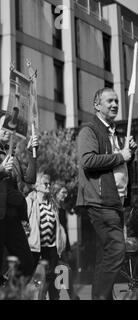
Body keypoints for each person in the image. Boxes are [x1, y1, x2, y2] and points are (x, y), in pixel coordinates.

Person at [76, 87, 137, 300]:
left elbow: (119, 166)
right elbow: (88, 161)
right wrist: (121, 155)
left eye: (117, 101)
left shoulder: (113, 134)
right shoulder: (89, 130)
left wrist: (129, 153)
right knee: (116, 250)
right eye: (109, 101)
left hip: (115, 203)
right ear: (96, 105)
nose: (114, 105)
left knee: (105, 256)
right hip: (101, 203)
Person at [0, 110, 37, 286]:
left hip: (12, 217)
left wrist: (33, 153)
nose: (9, 131)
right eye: (4, 126)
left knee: (26, 262)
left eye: (11, 127)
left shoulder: (12, 153)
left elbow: (30, 179)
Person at [26, 173, 66, 300]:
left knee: (51, 279)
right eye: (45, 184)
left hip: (51, 247)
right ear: (37, 186)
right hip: (36, 247)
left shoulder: (52, 203)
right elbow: (24, 222)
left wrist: (60, 245)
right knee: (35, 279)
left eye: (49, 183)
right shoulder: (31, 201)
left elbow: (58, 227)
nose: (49, 186)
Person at [53, 182, 80, 300]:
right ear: (55, 193)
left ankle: (68, 296)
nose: (66, 195)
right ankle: (72, 297)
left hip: (62, 247)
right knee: (62, 273)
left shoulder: (62, 209)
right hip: (53, 247)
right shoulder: (52, 208)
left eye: (66, 192)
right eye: (63, 192)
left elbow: (66, 232)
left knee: (64, 273)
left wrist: (68, 248)